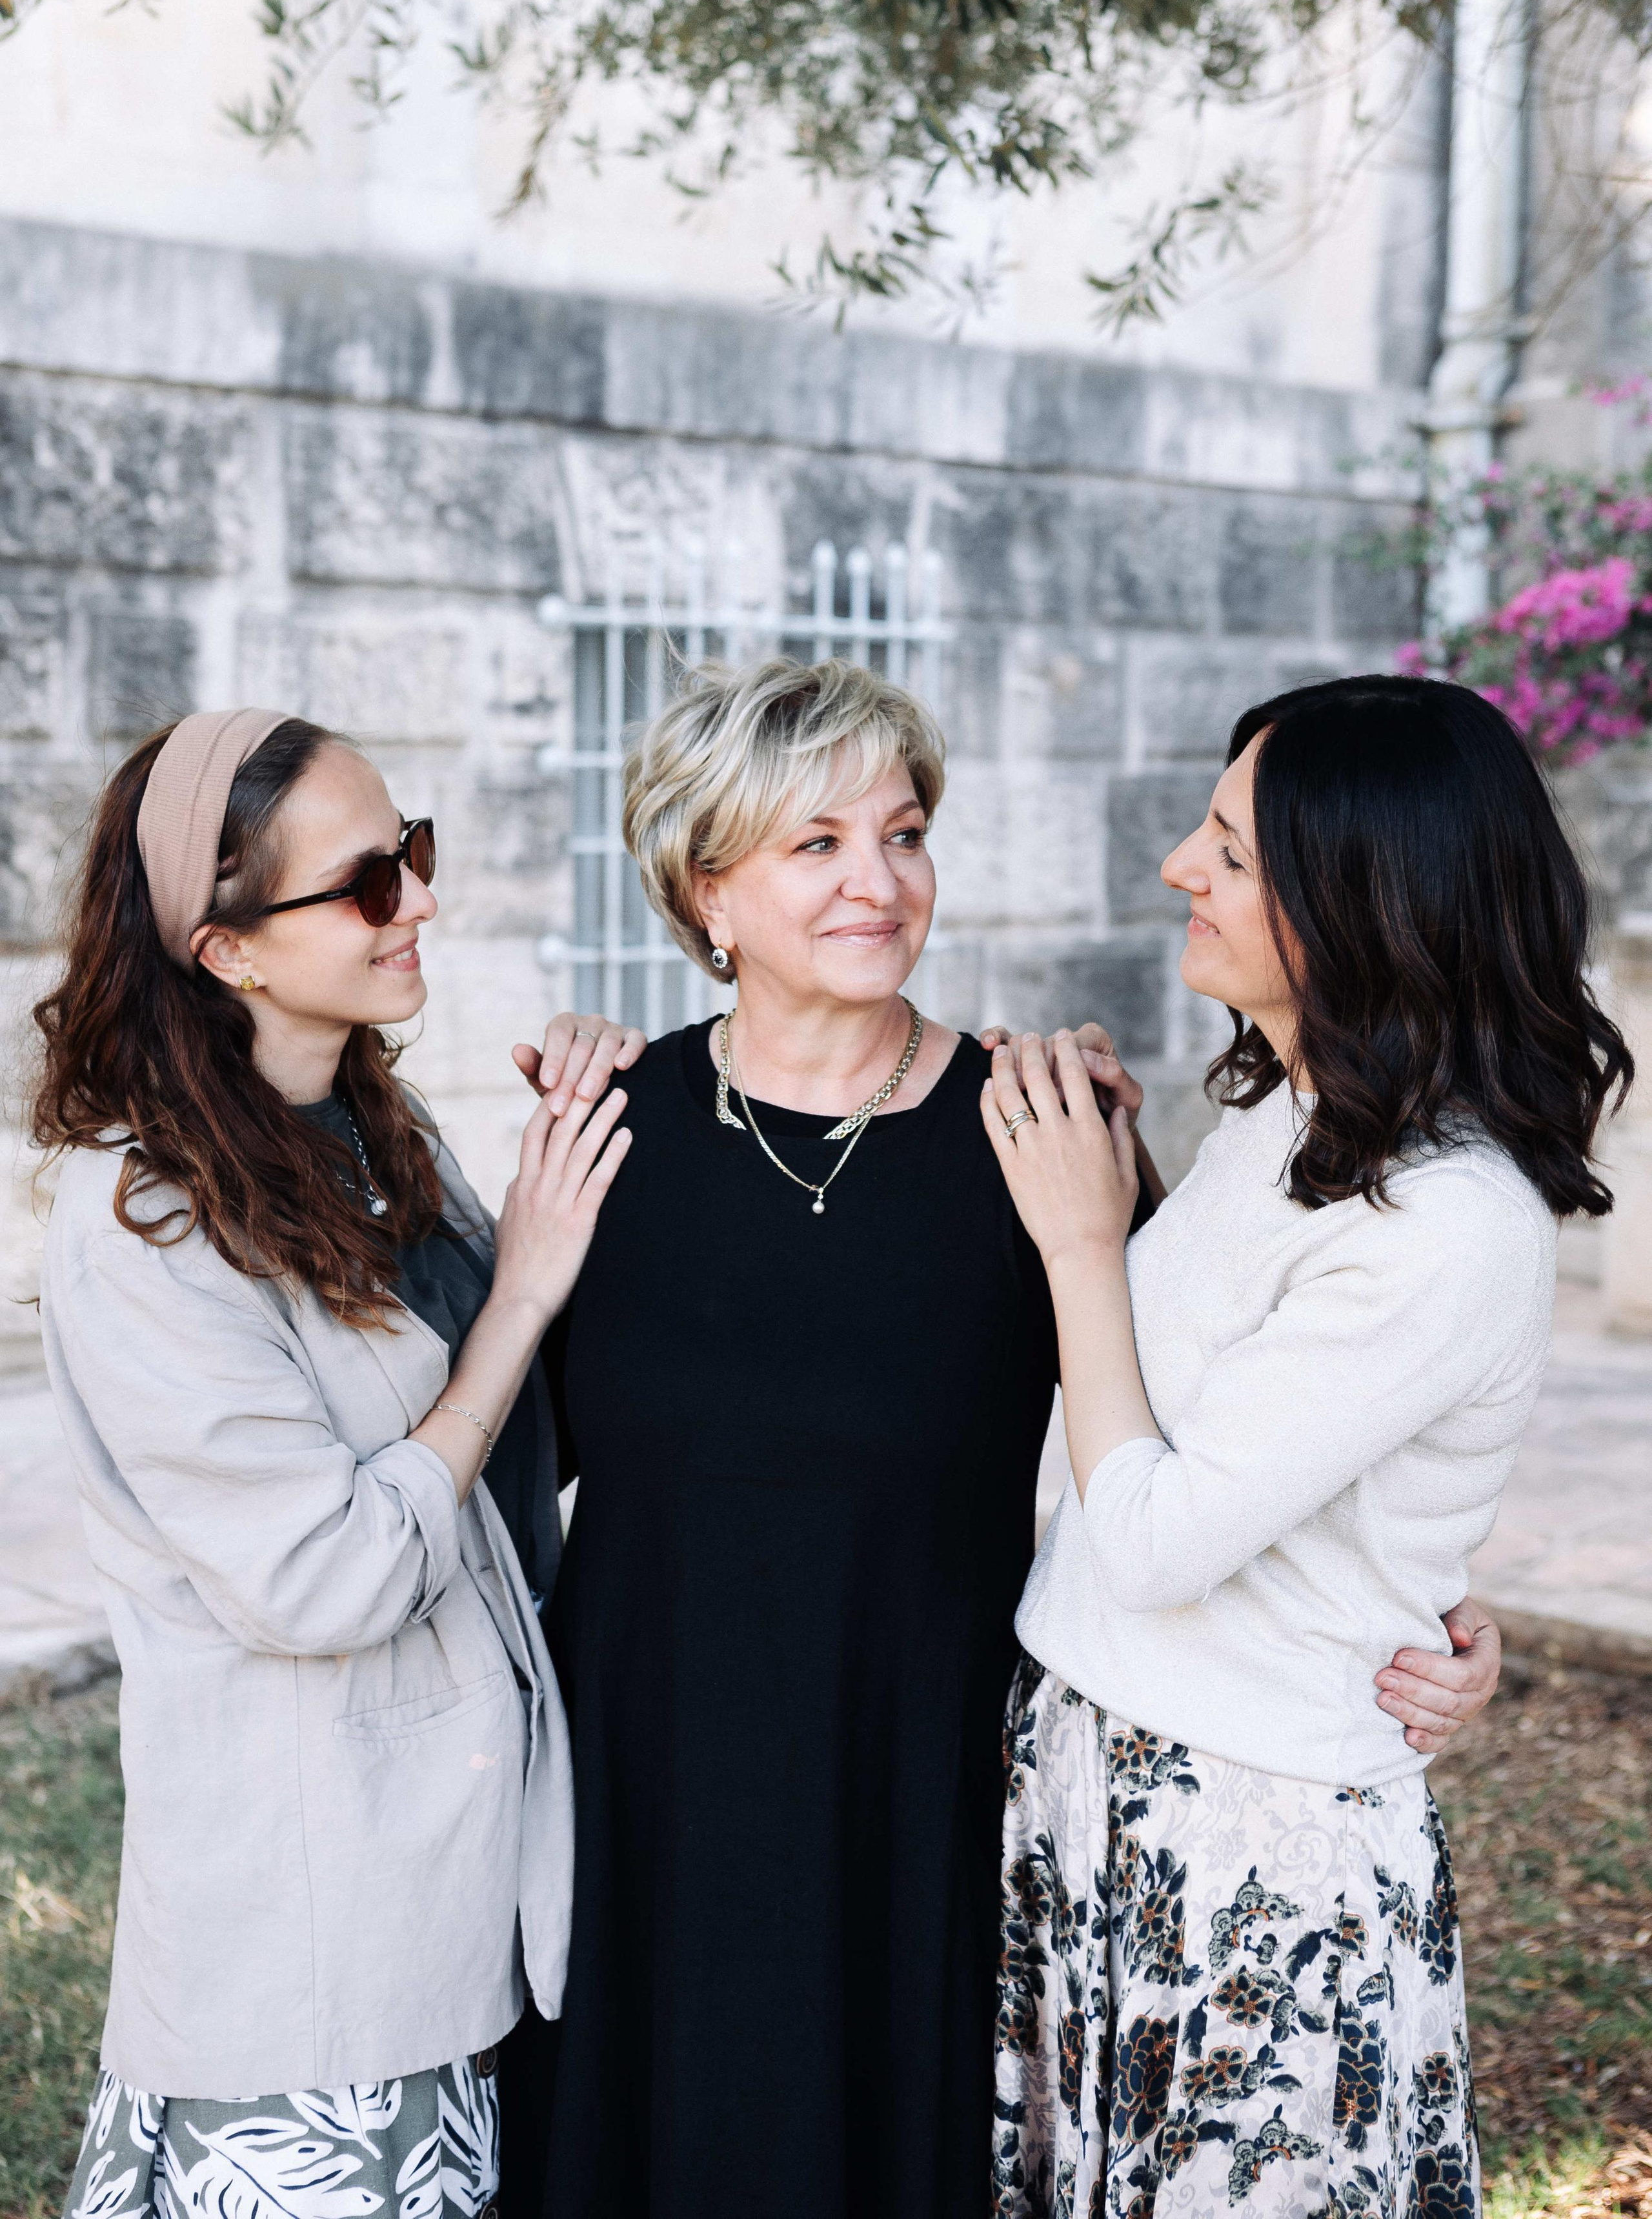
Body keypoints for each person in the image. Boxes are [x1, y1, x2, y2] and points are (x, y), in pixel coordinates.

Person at [504, 656, 1507, 2219]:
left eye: (901, 834)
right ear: (706, 889)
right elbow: (498, 1472)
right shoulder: (605, 1130)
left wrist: (1428, 1608)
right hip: (655, 1783)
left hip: (933, 1796)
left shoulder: (1042, 1133)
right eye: (815, 843)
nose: (877, 881)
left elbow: (1211, 1425)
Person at [984, 674, 1633, 2219]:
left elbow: (1152, 1538)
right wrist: (1129, 1192)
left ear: (1360, 901)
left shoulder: (1447, 1217)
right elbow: (1210, 1397)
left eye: (1229, 847)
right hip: (1106, 1783)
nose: (1176, 869)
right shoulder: (1292, 1111)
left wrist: (1079, 1243)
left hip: (1248, 1850)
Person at [35, 708, 629, 2219]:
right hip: (313, 1949)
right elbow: (326, 1572)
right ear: (225, 949)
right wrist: (522, 1296)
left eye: (412, 855)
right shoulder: (145, 1223)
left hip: (460, 1889)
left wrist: (589, 1144)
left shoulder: (371, 1125)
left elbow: (529, 1440)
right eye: (370, 882)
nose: (421, 900)